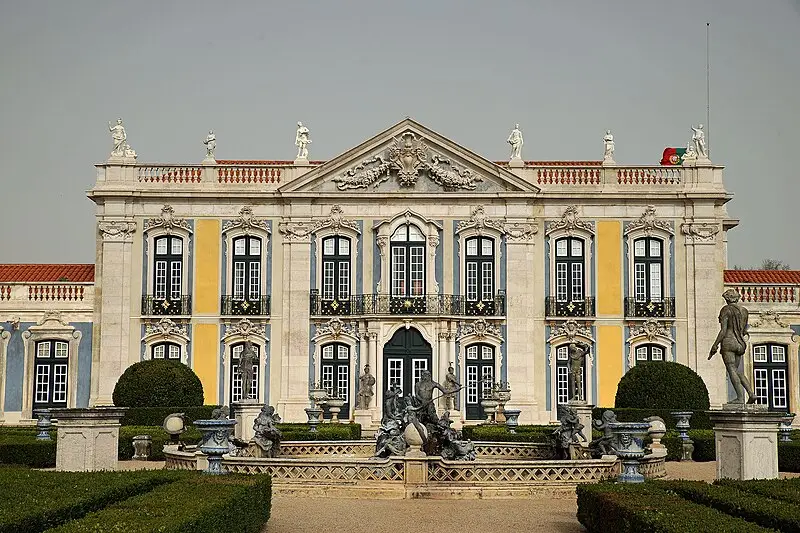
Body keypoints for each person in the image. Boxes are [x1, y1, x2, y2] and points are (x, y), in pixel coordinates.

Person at [709, 289, 756, 404]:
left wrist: (715, 345)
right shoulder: (744, 311)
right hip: (740, 344)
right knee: (737, 370)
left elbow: (723, 331)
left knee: (731, 370)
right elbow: (744, 329)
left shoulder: (726, 310)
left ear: (728, 299)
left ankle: (740, 398)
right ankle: (751, 393)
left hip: (729, 342)